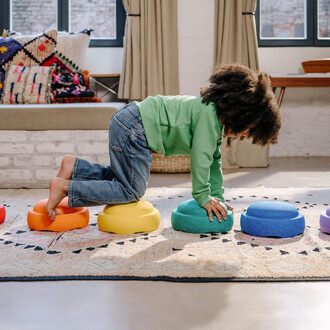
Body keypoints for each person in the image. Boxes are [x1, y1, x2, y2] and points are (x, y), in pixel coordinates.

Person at [46, 64, 281, 223]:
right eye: (247, 130)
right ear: (241, 114)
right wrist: (203, 196)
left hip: (130, 120)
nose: (242, 135)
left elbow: (213, 163)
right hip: (136, 127)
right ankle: (66, 187)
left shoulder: (211, 116)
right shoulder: (208, 119)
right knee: (130, 191)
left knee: (123, 179)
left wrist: (217, 197)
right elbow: (200, 160)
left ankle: (74, 167)